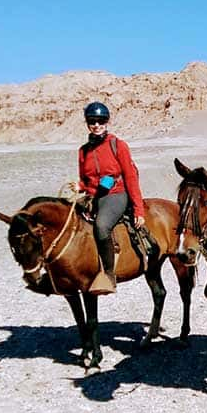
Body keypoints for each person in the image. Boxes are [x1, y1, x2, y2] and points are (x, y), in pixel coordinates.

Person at [77, 101, 146, 295]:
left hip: (116, 193)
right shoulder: (83, 151)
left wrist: (138, 209)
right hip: (93, 195)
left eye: (101, 121)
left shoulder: (118, 145)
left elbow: (131, 177)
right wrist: (80, 186)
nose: (96, 125)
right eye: (92, 121)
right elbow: (85, 179)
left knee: (101, 225)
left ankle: (108, 275)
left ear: (107, 122)